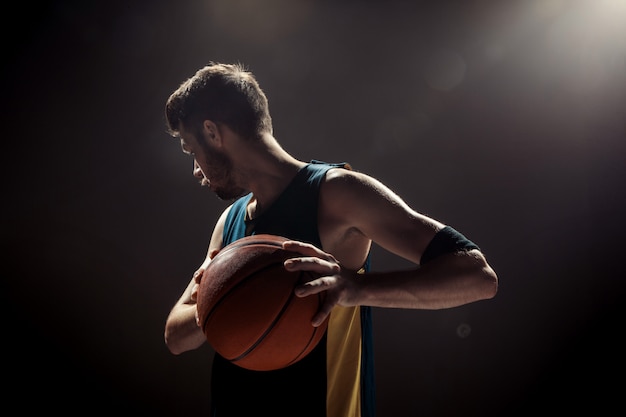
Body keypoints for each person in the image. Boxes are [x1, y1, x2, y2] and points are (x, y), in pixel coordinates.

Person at [163, 62, 498, 417]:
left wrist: (357, 288)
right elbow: (174, 335)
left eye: (190, 148)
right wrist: (219, 303)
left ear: (213, 132)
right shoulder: (229, 222)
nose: (197, 169)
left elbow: (477, 275)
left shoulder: (337, 193)